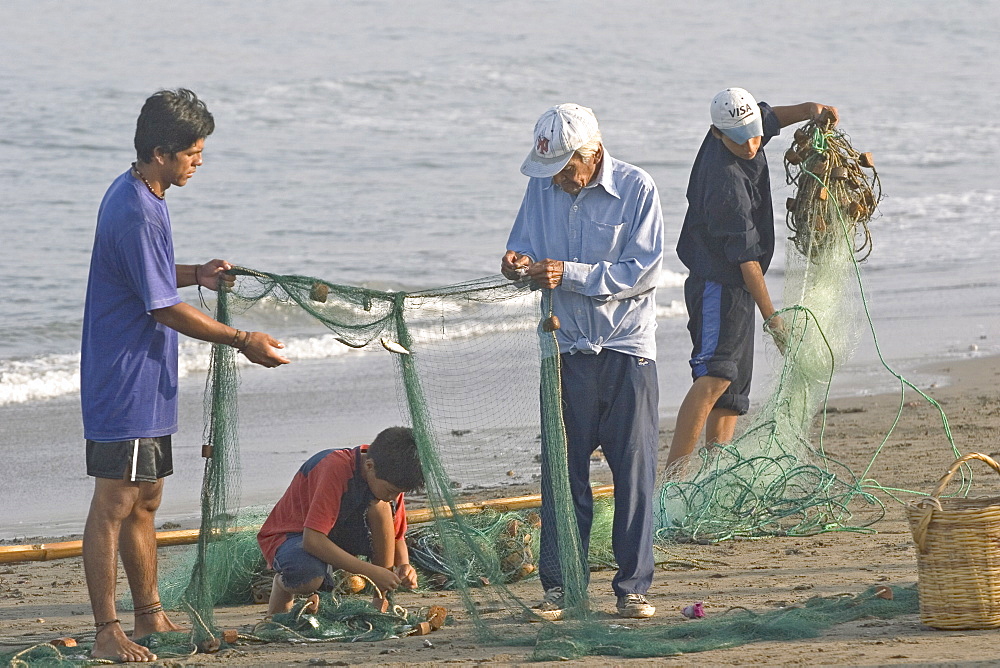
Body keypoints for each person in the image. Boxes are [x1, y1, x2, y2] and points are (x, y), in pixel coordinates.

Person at [81, 88, 291, 663]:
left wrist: (194, 271)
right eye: (193, 152)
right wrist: (243, 340)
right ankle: (106, 629)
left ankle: (149, 615)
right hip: (121, 379)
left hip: (150, 377)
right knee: (113, 503)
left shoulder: (147, 195)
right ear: (160, 151)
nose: (199, 161)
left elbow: (145, 274)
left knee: (146, 498)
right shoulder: (131, 207)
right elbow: (161, 306)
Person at [501, 103, 663, 620]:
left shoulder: (637, 189)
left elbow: (642, 272)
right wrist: (516, 265)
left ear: (592, 153)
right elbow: (522, 252)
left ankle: (632, 588)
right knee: (560, 474)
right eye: (552, 171)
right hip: (563, 349)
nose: (561, 180)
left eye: (567, 169)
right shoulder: (540, 187)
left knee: (633, 472)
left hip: (626, 350)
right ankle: (560, 589)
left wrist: (567, 273)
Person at [664, 88, 839, 470]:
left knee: (733, 391)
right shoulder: (725, 183)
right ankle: (673, 482)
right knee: (715, 376)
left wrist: (811, 109)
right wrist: (773, 320)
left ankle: (710, 480)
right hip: (716, 283)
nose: (751, 145)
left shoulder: (748, 126)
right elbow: (747, 261)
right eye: (740, 140)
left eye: (756, 135)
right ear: (717, 134)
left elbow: (771, 116)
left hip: (738, 285)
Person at [256, 426, 424, 617]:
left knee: (381, 506)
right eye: (391, 490)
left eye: (398, 492)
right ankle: (282, 591)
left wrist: (404, 566)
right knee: (308, 576)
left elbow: (396, 535)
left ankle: (380, 601)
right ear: (369, 466)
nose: (394, 496)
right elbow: (312, 541)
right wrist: (372, 572)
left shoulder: (390, 479)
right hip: (294, 536)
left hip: (337, 534)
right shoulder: (334, 467)